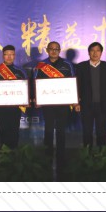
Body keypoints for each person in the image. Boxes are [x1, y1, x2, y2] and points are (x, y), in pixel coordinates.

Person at [36, 41, 74, 173]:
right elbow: (36, 83)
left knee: (61, 130)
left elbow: (73, 82)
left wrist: (74, 100)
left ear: (60, 50)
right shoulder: (41, 65)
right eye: (51, 49)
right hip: (47, 103)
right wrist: (37, 98)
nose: (54, 51)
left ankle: (61, 156)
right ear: (47, 50)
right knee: (48, 129)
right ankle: (47, 156)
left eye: (56, 49)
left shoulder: (67, 64)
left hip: (63, 103)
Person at [75, 42, 106, 149]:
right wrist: (76, 103)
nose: (95, 53)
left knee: (101, 131)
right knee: (87, 131)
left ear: (101, 52)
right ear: (88, 52)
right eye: (92, 50)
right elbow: (77, 86)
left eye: (98, 50)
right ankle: (87, 154)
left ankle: (101, 154)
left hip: (103, 105)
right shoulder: (81, 66)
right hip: (86, 105)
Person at [0, 45, 27, 149]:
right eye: (7, 54)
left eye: (12, 54)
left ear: (14, 56)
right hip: (1, 107)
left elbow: (26, 88)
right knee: (3, 129)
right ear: (3, 55)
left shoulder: (20, 71)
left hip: (15, 106)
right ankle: (4, 152)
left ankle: (14, 153)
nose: (9, 57)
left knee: (14, 129)